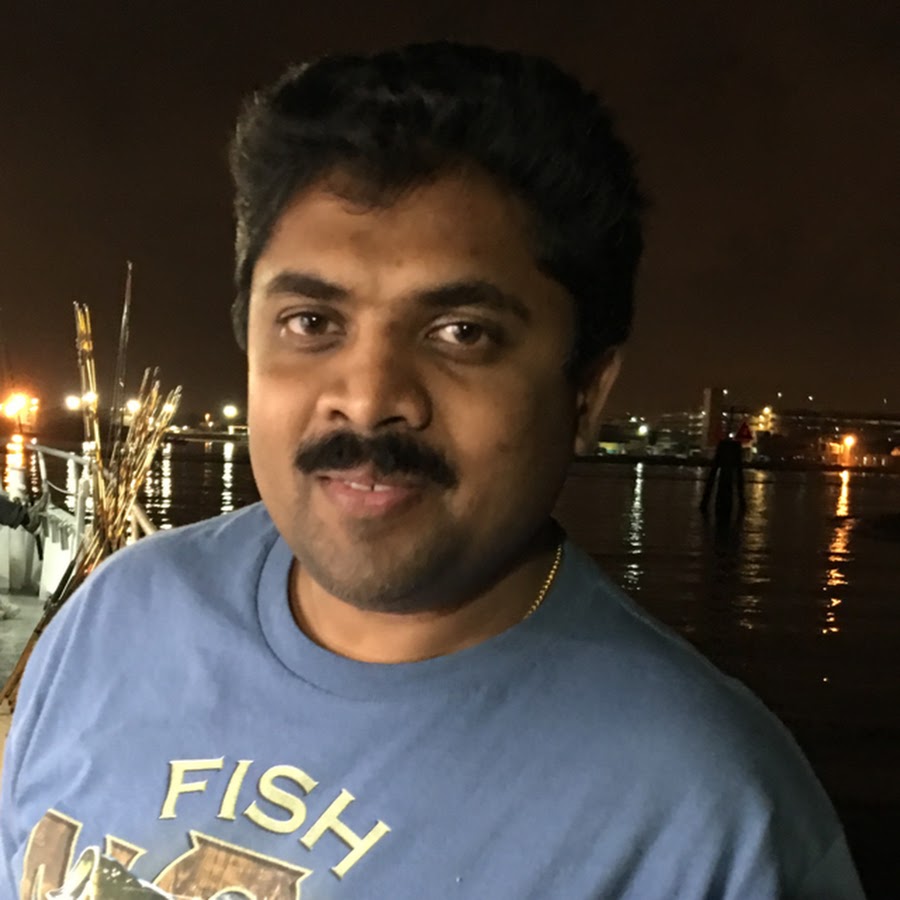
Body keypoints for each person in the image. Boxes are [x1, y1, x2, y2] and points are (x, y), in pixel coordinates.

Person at [0, 42, 864, 899]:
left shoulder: (706, 823)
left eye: (462, 333)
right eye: (311, 322)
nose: (368, 398)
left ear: (586, 393)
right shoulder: (115, 619)